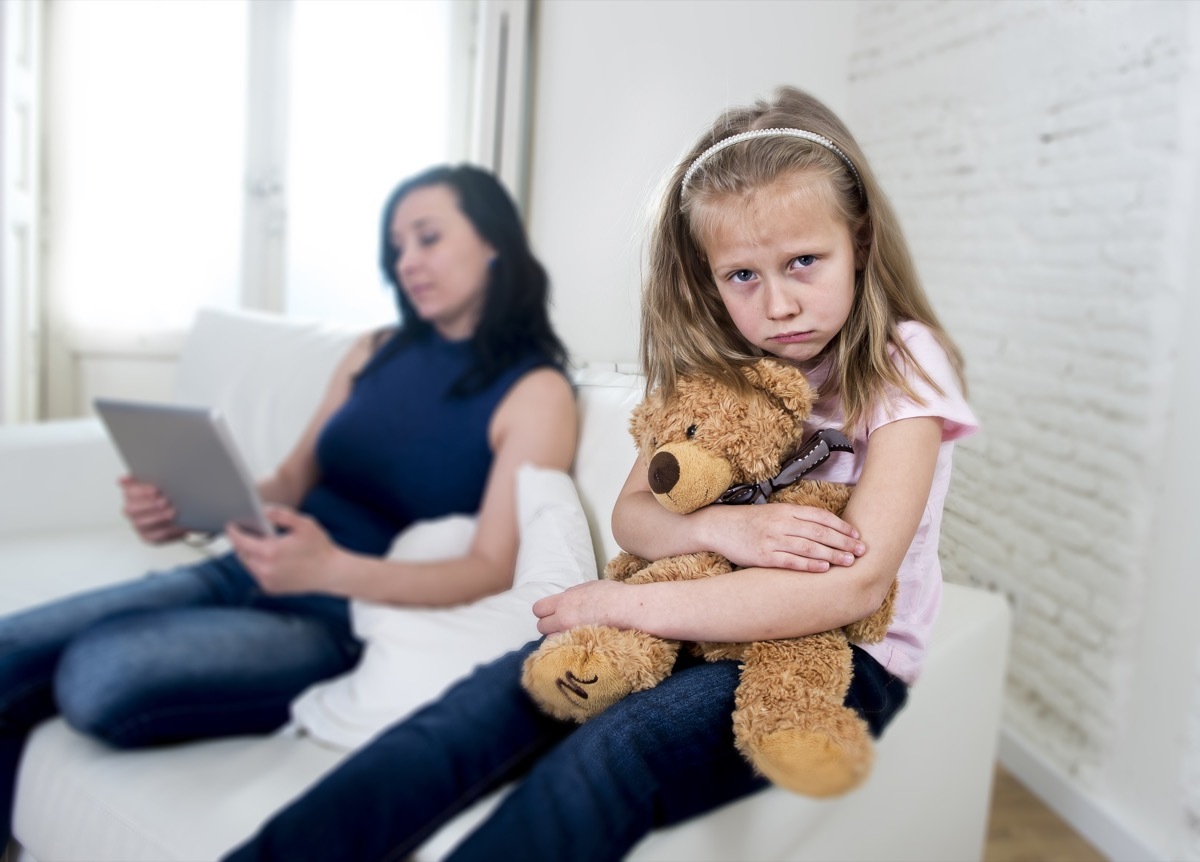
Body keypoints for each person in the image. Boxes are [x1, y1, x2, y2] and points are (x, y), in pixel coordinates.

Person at [223, 86, 978, 862]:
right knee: (472, 714)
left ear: (859, 238)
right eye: (742, 276)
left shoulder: (903, 362)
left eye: (804, 263)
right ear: (705, 275)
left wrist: (626, 604)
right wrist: (728, 526)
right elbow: (635, 516)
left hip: (832, 657)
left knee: (611, 757)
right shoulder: (720, 367)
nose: (779, 304)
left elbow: (849, 585)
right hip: (690, 624)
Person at [0, 164, 577, 847]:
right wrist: (193, 507)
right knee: (13, 648)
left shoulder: (536, 393)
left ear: (493, 242)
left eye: (427, 238)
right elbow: (293, 478)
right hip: (241, 565)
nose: (408, 262)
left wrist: (329, 571)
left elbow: (489, 567)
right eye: (397, 247)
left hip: (332, 616)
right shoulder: (376, 351)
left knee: (99, 677)